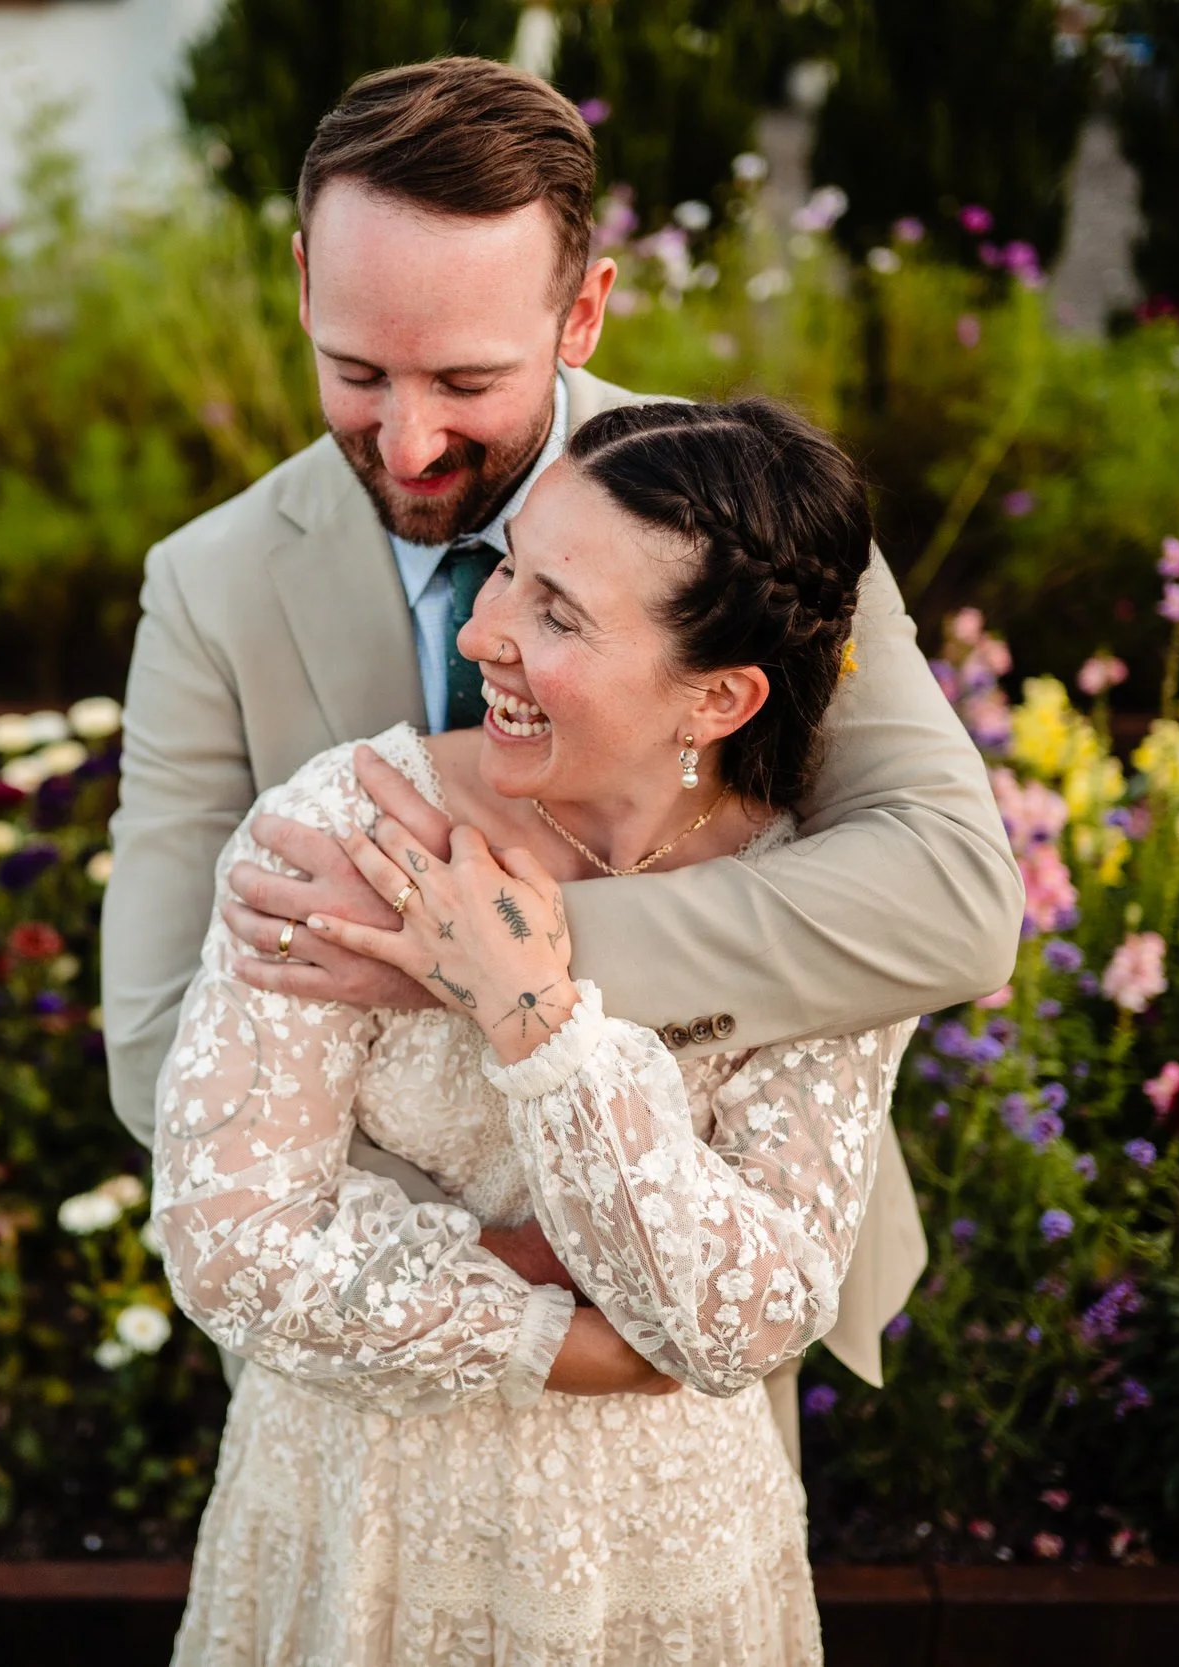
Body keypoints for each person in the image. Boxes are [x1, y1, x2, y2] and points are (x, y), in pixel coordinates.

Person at [102, 57, 1021, 1460]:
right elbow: (157, 1028)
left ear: (584, 309)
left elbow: (950, 895)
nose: (406, 442)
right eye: (355, 371)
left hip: (696, 1345)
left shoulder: (750, 521)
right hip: (373, 1374)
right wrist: (486, 1280)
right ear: (301, 283)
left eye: (467, 379)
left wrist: (485, 961)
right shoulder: (209, 583)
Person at [154, 395, 917, 1661]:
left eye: (558, 611)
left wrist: (537, 1022)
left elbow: (749, 1315)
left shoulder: (811, 909)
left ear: (716, 697)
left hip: (661, 1553)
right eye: (511, 568)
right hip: (362, 1524)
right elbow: (227, 1241)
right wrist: (550, 1323)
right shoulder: (346, 822)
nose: (487, 630)